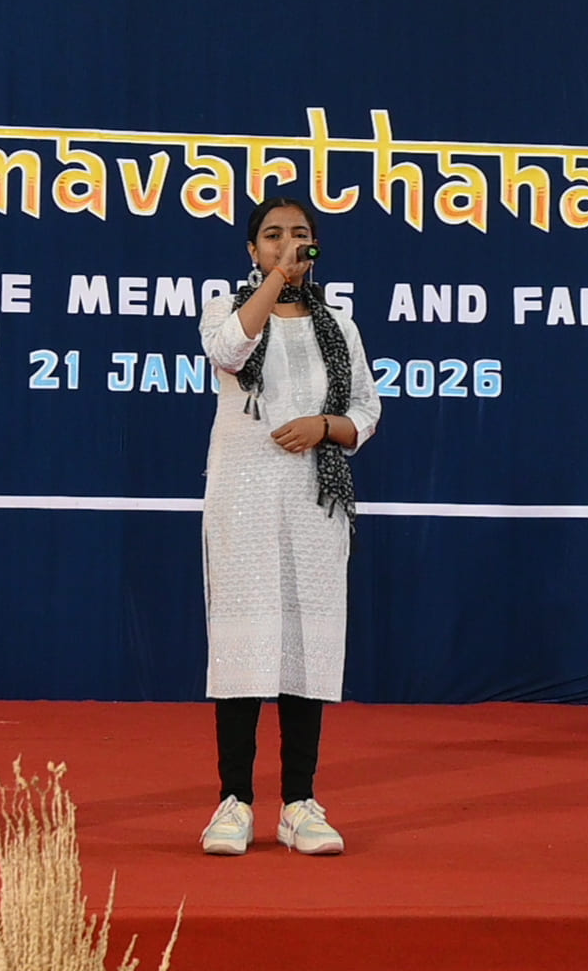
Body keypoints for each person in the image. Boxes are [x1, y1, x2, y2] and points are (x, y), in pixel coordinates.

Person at [196, 197, 381, 856]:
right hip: (242, 496)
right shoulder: (224, 309)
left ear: (317, 244)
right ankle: (235, 802)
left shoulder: (340, 325)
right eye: (272, 236)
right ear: (253, 251)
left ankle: (299, 803)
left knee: (307, 645)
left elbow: (366, 409)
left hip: (313, 500)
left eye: (299, 234)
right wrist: (278, 278)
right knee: (243, 646)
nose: (287, 243)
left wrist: (325, 426)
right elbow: (228, 350)